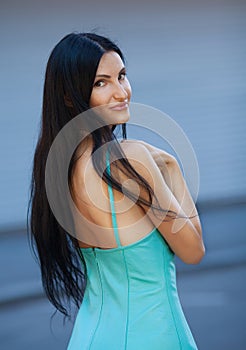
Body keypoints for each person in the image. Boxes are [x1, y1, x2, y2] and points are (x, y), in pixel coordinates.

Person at [29, 32, 205, 349]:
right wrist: (173, 169)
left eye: (121, 76)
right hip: (153, 336)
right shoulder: (130, 160)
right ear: (71, 97)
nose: (121, 92)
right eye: (101, 83)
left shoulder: (59, 169)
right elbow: (193, 250)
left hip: (90, 337)